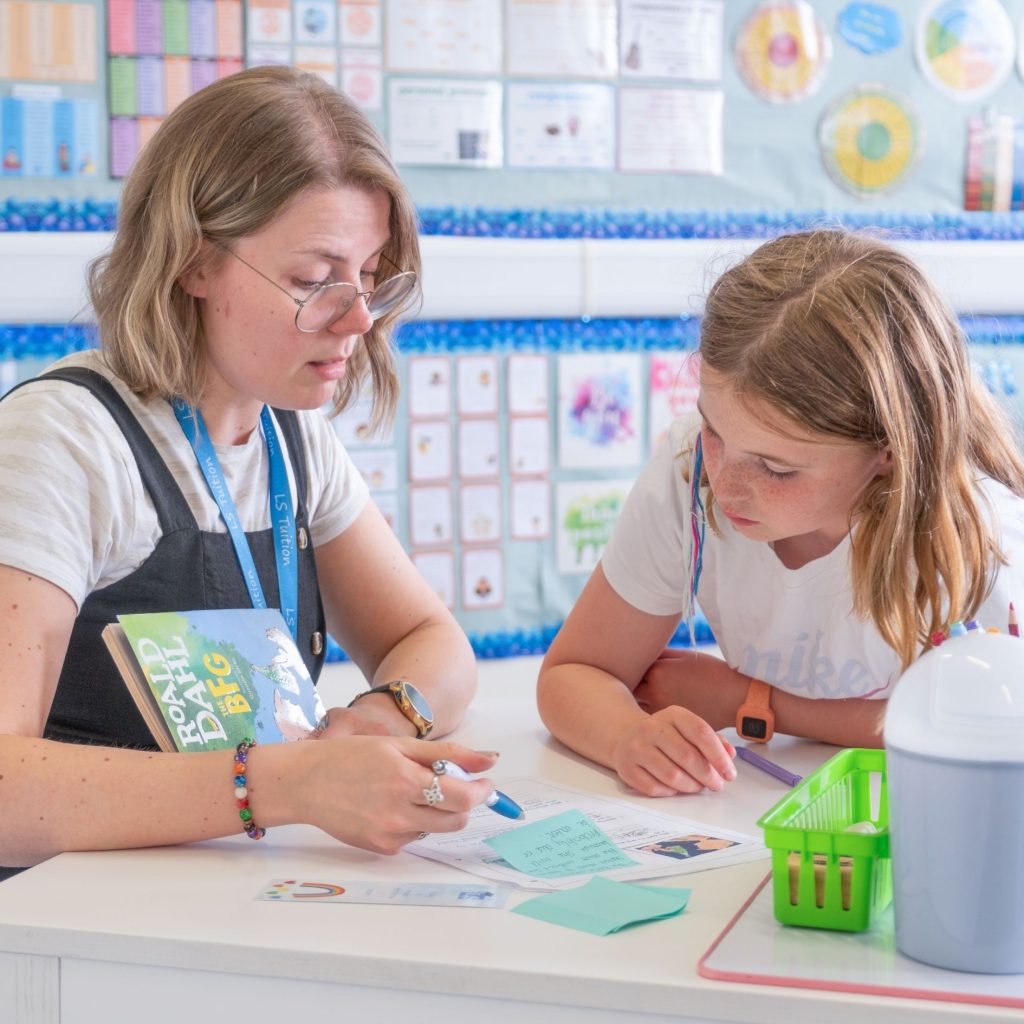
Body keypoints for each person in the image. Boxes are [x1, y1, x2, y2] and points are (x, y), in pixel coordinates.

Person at [0, 66, 497, 879]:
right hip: (67, 936)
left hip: (219, 897)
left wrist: (385, 713)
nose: (359, 319)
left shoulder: (292, 436)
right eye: (314, 281)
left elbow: (433, 644)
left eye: (370, 278)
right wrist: (283, 783)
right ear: (193, 264)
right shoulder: (62, 442)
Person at [537, 229, 1024, 798]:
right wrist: (628, 738)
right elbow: (573, 674)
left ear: (888, 452)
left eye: (777, 468)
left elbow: (986, 729)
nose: (727, 485)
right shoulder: (687, 472)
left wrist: (754, 704)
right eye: (714, 432)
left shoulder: (982, 543)